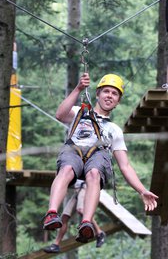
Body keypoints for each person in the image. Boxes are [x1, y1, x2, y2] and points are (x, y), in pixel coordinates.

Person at [42, 73, 158, 243]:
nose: (109, 96)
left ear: (118, 102)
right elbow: (60, 115)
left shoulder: (114, 130)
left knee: (95, 173)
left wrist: (141, 190)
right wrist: (79, 88)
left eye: (114, 93)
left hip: (97, 156)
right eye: (106, 91)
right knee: (66, 168)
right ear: (97, 94)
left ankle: (87, 223)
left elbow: (125, 166)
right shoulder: (78, 112)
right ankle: (52, 213)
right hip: (74, 149)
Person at [43, 180, 106, 253]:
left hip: (84, 188)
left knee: (81, 210)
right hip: (77, 191)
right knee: (64, 217)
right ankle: (55, 245)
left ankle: (99, 232)